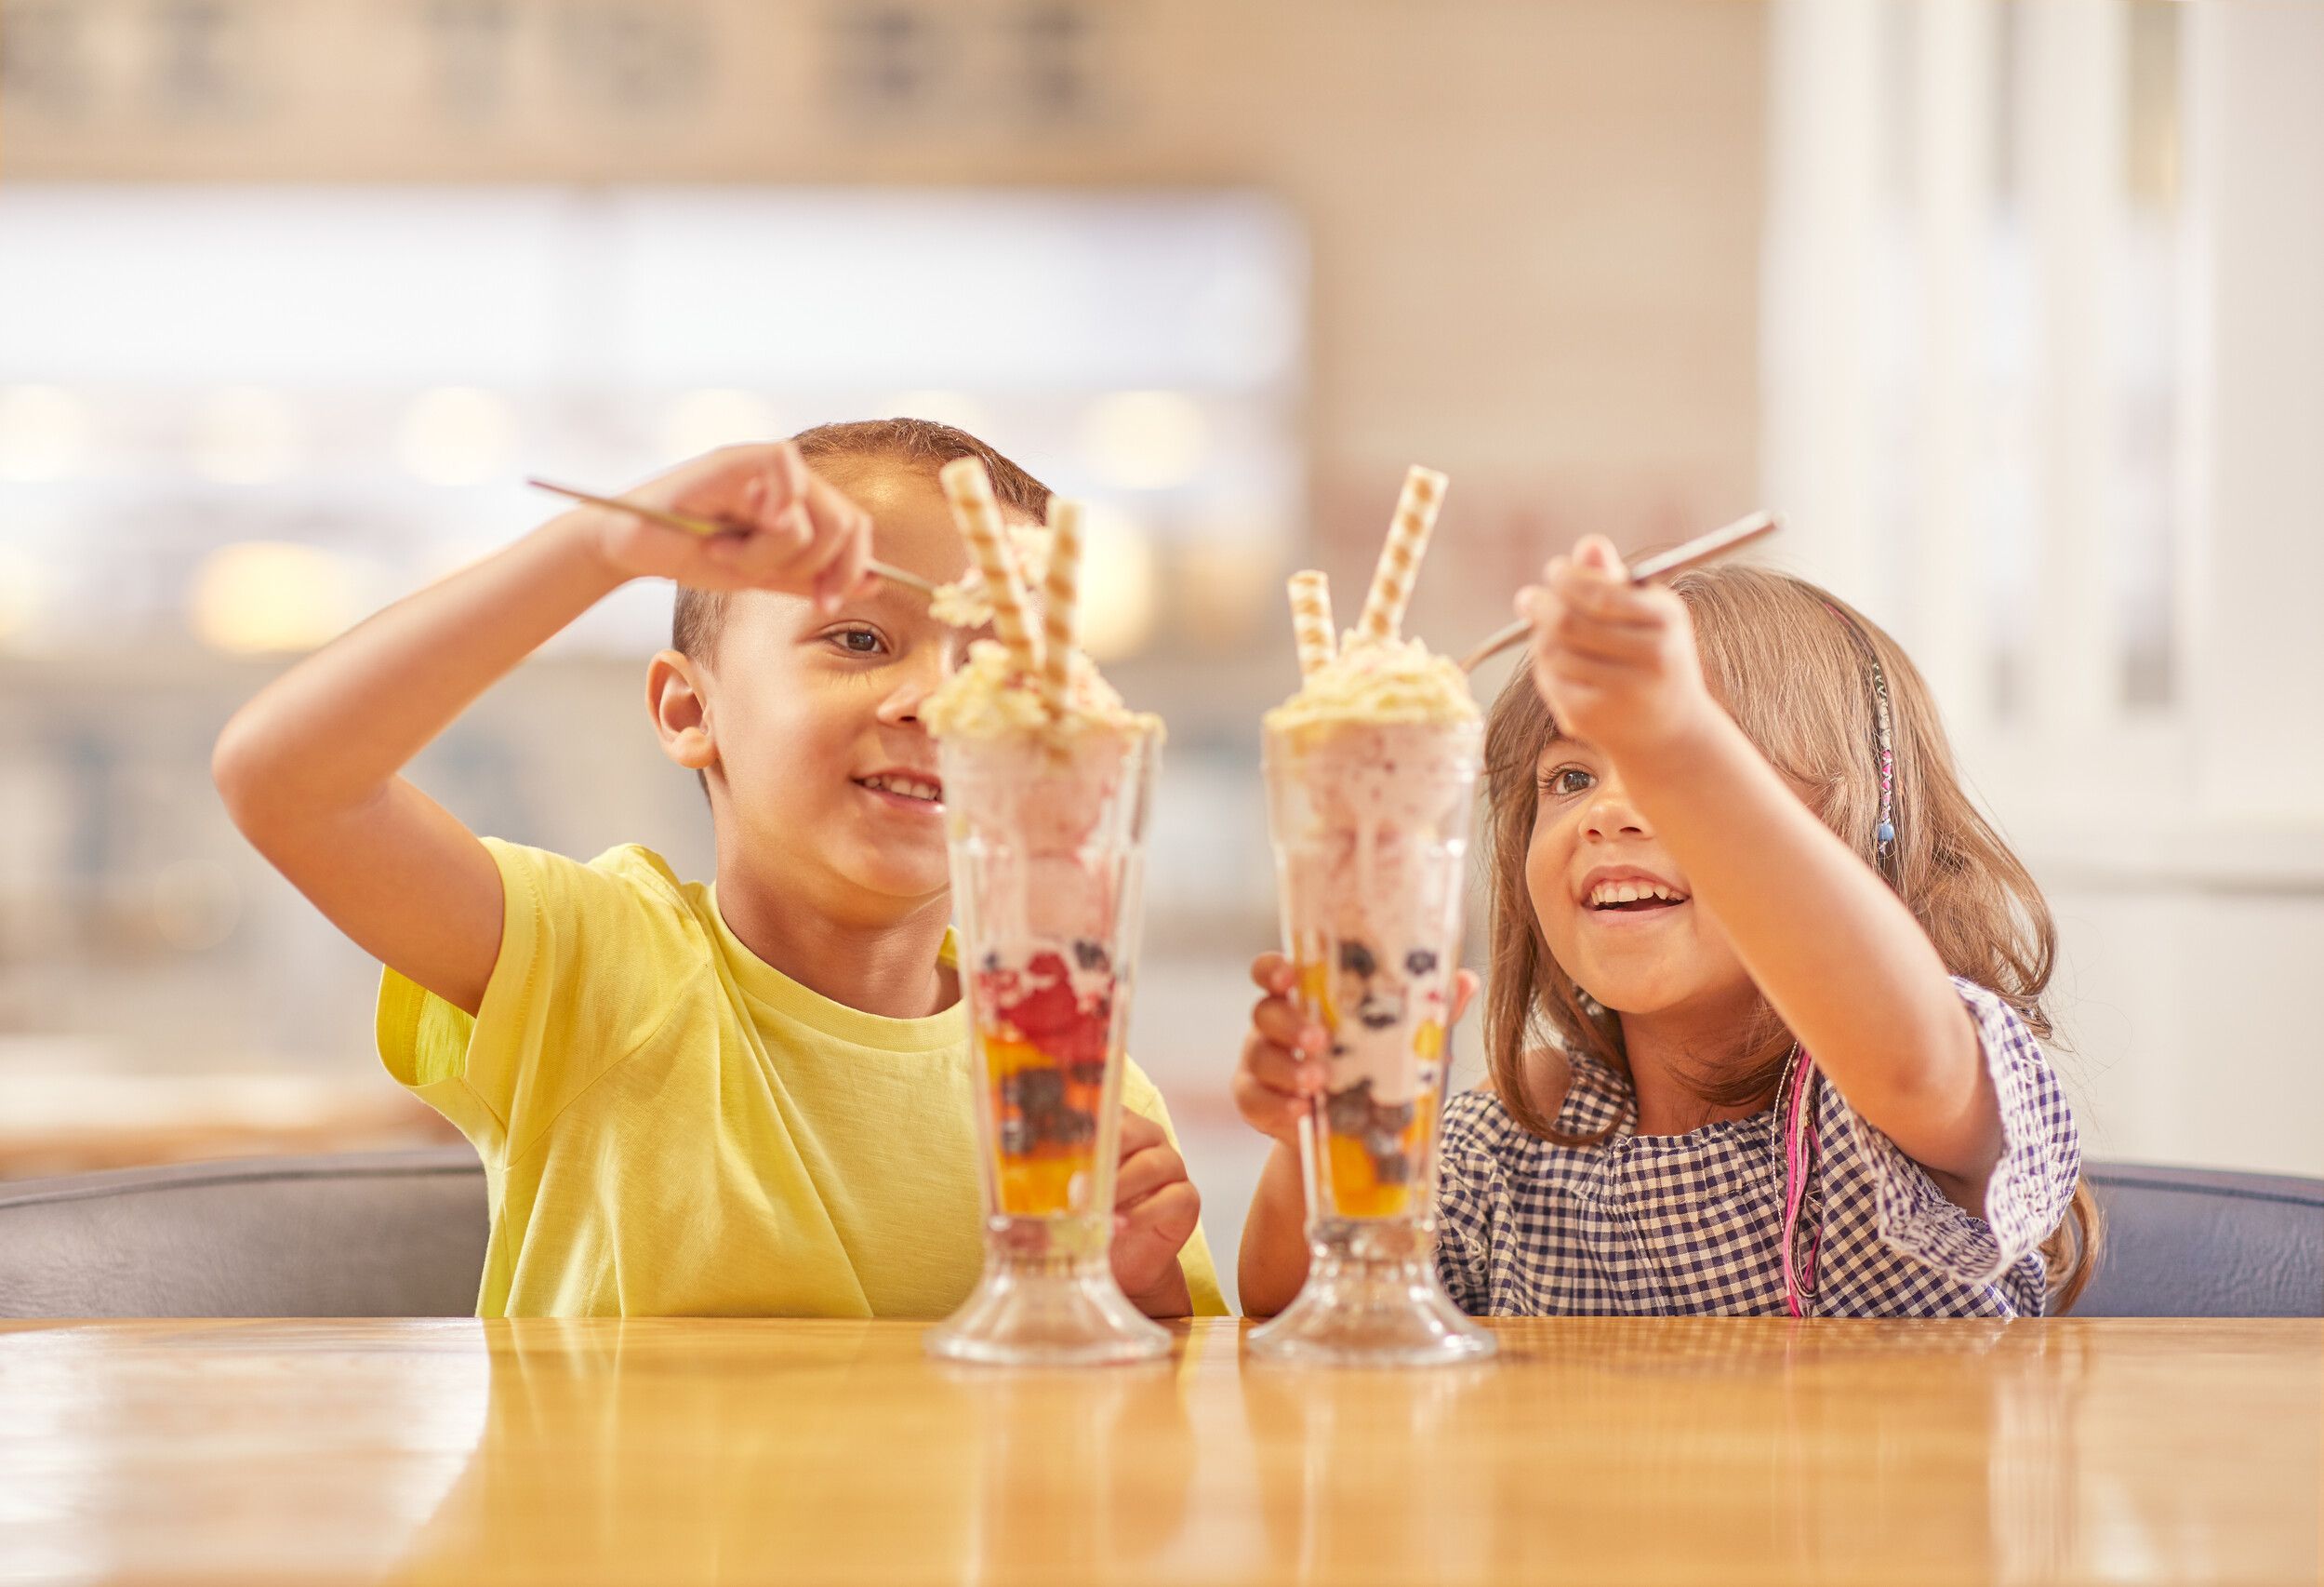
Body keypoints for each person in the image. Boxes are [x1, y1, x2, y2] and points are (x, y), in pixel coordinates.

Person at [215, 418, 1222, 1319]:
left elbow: (1162, 1417)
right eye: (860, 637)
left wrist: (1133, 1292)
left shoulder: (1072, 1064)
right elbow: (287, 780)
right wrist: (602, 548)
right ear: (689, 710)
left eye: (997, 667)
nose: (938, 701)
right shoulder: (598, 966)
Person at [1235, 538, 2095, 1316]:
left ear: (1870, 834)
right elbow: (1291, 1313)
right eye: (1570, 777)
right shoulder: (1513, 1135)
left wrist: (1675, 740)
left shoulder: (1892, 1099)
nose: (1609, 812)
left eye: (1684, 770)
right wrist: (1317, 1147)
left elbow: (1908, 1060)